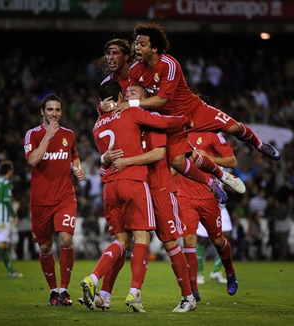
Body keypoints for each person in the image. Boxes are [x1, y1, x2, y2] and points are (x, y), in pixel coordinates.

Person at [117, 23, 281, 195]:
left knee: (234, 128)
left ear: (155, 48)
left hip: (195, 110)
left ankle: (259, 144)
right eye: (136, 44)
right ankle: (216, 180)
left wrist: (131, 104)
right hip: (172, 121)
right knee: (178, 161)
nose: (136, 48)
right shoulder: (135, 70)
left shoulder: (169, 64)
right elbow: (129, 91)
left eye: (142, 44)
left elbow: (161, 100)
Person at [79, 80, 192, 313]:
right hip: (135, 184)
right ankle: (109, 293)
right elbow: (103, 167)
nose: (129, 95)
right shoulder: (128, 117)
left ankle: (188, 296)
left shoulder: (144, 118)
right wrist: (105, 161)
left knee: (167, 241)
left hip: (157, 187)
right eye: (127, 92)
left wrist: (120, 161)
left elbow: (159, 153)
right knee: (130, 240)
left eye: (134, 93)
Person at [24, 93, 86, 306]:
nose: (54, 113)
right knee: (44, 247)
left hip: (65, 197)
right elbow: (32, 160)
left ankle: (64, 290)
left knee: (66, 240)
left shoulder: (69, 134)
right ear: (42, 112)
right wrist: (48, 136)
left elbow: (74, 154)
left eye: (57, 109)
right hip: (40, 200)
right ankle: (52, 290)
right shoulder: (32, 135)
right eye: (50, 109)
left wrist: (77, 168)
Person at [175, 131, 239, 300]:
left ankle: (230, 271)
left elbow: (232, 161)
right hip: (185, 196)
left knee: (218, 241)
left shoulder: (213, 134)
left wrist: (209, 158)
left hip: (209, 196)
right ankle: (193, 289)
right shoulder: (179, 131)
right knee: (189, 240)